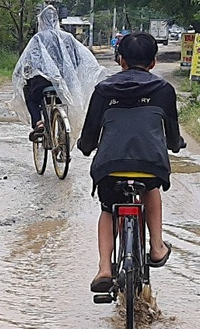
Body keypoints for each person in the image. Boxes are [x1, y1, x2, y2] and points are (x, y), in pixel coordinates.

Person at [76, 31, 184, 300]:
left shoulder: (103, 90)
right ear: (153, 62)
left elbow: (89, 134)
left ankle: (104, 269)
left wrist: (86, 147)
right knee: (151, 190)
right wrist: (175, 144)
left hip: (109, 166)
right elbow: (172, 133)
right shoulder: (163, 90)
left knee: (107, 209)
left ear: (120, 60)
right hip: (150, 164)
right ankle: (157, 247)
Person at [12, 5, 102, 142]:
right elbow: (77, 59)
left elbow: (28, 60)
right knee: (65, 102)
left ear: (41, 21)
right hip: (65, 84)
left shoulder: (38, 38)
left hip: (41, 84)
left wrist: (22, 73)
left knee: (30, 97)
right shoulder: (68, 38)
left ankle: (38, 123)